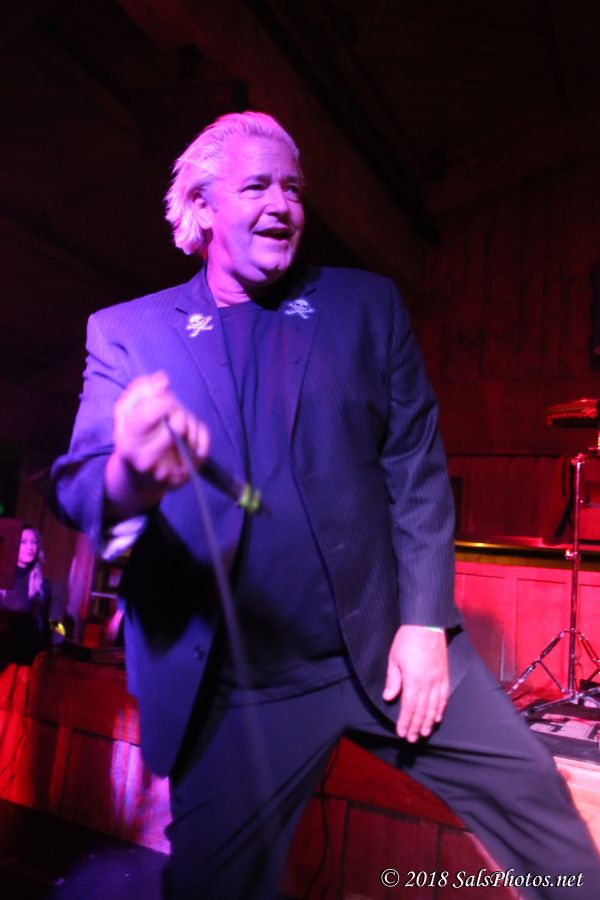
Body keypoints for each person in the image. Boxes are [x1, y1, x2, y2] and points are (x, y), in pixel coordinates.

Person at [51, 112, 600, 899]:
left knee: (540, 812)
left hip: (390, 648)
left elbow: (416, 467)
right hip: (241, 685)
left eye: (294, 188)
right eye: (256, 186)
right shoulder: (129, 333)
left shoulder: (365, 307)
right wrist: (132, 472)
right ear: (202, 207)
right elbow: (80, 487)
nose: (282, 204)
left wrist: (424, 622)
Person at [0, 524, 51, 664]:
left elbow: (45, 625)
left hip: (25, 660)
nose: (30, 547)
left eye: (34, 542)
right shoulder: (2, 579)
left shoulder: (43, 586)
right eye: (24, 542)